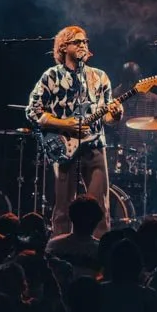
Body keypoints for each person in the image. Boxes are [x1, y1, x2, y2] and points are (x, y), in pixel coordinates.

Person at [27, 25, 123, 236]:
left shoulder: (100, 77)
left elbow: (106, 117)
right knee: (63, 208)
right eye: (77, 42)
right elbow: (32, 112)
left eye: (85, 42)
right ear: (63, 47)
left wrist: (115, 115)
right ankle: (60, 248)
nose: (83, 45)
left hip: (95, 146)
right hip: (64, 148)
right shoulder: (51, 76)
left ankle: (99, 249)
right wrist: (65, 124)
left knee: (100, 206)